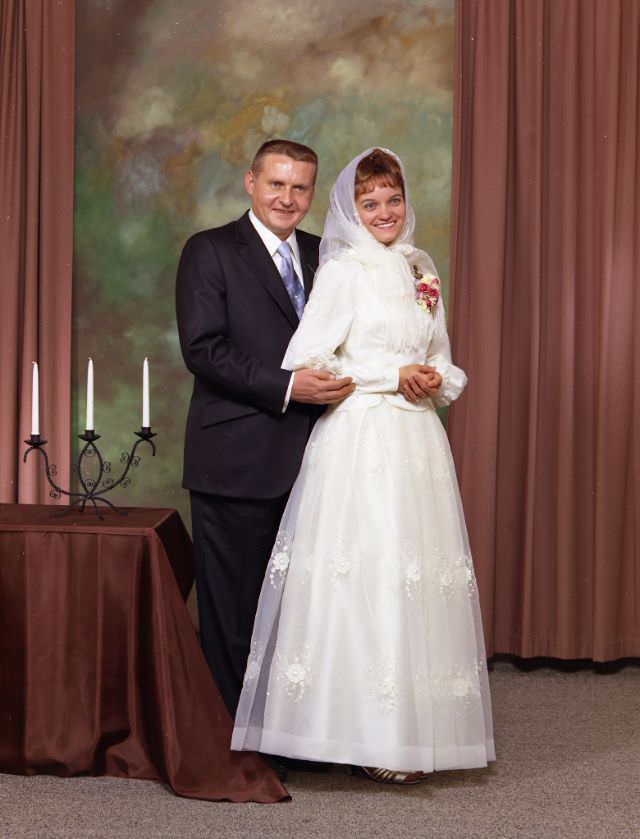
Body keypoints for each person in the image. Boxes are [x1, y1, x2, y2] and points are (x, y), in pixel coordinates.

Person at [231, 148, 495, 784]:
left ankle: (406, 735)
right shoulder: (343, 270)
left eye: (393, 200)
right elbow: (308, 357)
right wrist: (388, 374)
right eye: (369, 203)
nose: (384, 212)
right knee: (367, 576)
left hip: (416, 443)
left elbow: (442, 355)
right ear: (351, 210)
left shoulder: (421, 269)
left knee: (411, 583)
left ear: (407, 203)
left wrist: (436, 377)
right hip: (358, 441)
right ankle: (355, 736)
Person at [175, 139, 354, 717]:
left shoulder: (326, 254)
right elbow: (204, 350)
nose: (287, 197)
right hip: (237, 459)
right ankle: (233, 740)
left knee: (305, 608)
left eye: (299, 187)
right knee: (235, 611)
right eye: (276, 183)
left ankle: (291, 731)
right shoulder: (210, 251)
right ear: (250, 183)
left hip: (319, 457)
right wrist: (287, 385)